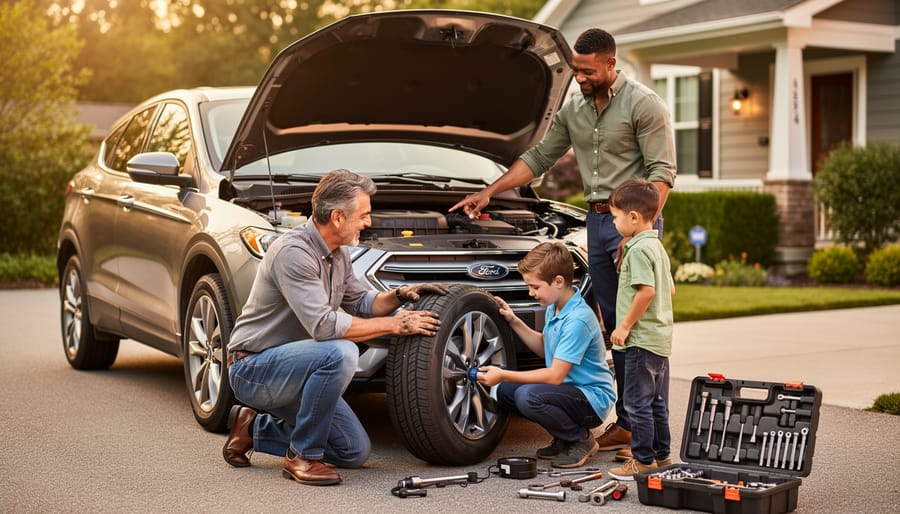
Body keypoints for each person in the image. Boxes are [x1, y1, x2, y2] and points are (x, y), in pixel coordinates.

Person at [450, 28, 676, 459]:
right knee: (613, 326)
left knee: (638, 328)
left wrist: (640, 234)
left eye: (588, 71)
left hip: (632, 224)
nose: (580, 78)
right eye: (575, 70)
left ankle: (639, 428)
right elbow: (538, 158)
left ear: (611, 64)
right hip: (597, 221)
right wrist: (489, 191)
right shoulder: (574, 107)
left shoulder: (644, 104)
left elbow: (662, 175)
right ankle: (628, 424)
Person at [222, 169, 447, 486]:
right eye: (364, 215)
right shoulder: (293, 253)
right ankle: (302, 456)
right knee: (341, 351)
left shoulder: (338, 255)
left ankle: (252, 429)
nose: (368, 223)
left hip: (299, 371)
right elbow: (324, 327)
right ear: (338, 217)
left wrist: (399, 296)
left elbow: (361, 303)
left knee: (353, 450)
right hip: (254, 368)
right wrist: (397, 325)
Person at [476, 242, 615, 468]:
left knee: (528, 396)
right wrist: (513, 321)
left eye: (535, 287)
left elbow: (554, 377)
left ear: (558, 282)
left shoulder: (577, 320)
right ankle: (563, 437)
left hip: (591, 400)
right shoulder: (556, 306)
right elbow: (544, 347)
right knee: (503, 392)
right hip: (567, 393)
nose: (531, 293)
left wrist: (503, 374)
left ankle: (580, 439)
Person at [604, 178, 675, 480]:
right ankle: (662, 456)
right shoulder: (657, 247)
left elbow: (646, 291)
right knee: (657, 402)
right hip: (659, 339)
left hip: (640, 341)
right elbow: (668, 290)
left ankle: (643, 460)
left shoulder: (636, 250)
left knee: (636, 403)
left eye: (615, 217)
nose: (614, 223)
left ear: (633, 217)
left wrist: (624, 326)